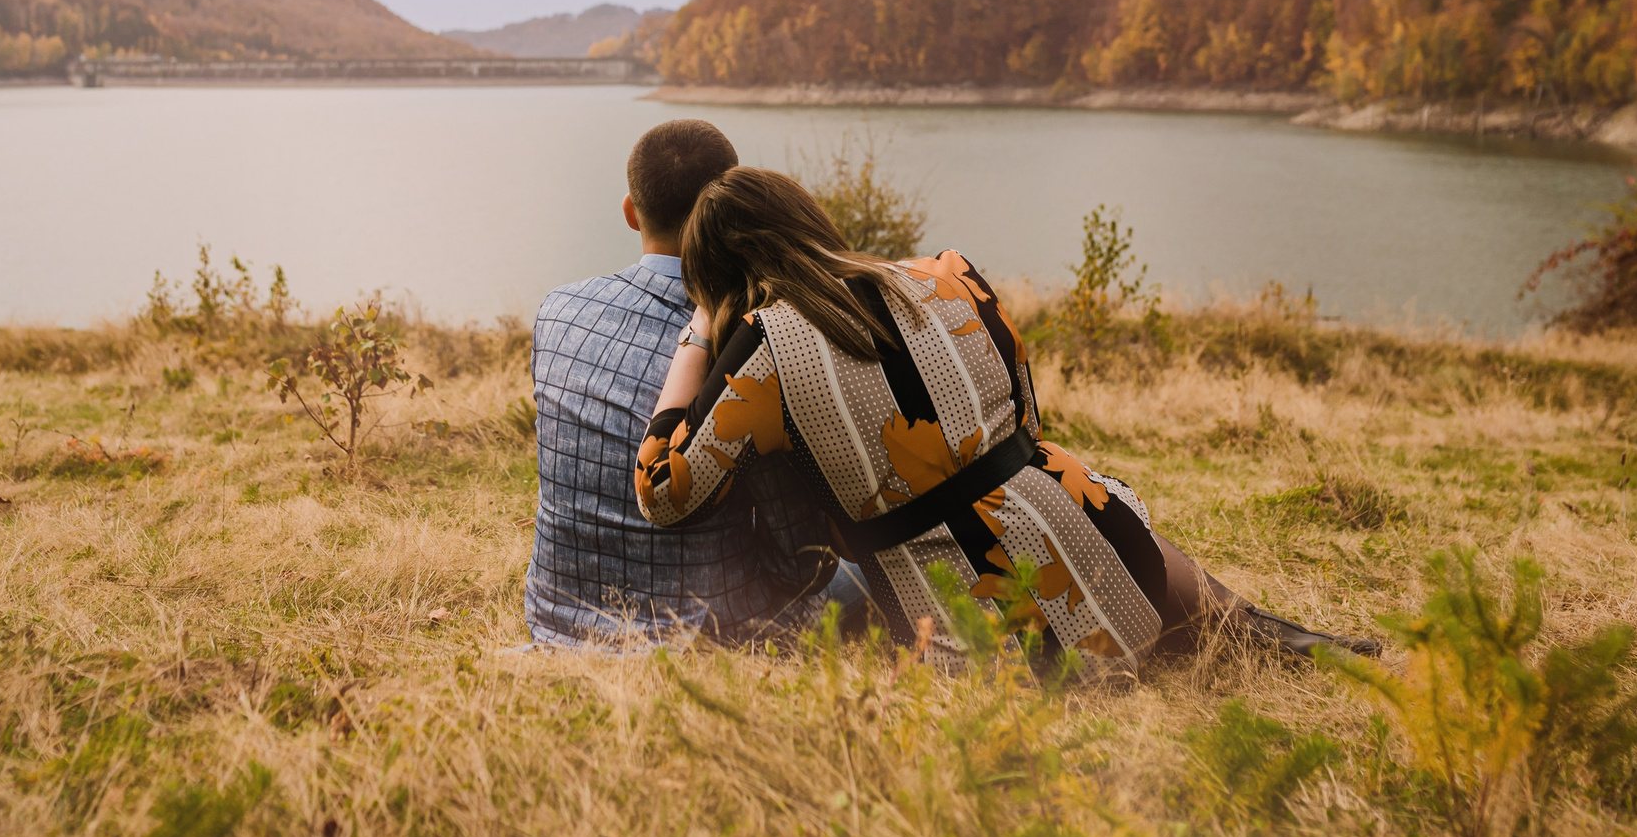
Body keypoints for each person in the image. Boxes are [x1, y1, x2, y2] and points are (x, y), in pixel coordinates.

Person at [634, 167, 1378, 674]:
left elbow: (663, 492)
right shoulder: (951, 271)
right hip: (1076, 520)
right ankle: (1291, 641)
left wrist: (701, 332)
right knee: (1092, 504)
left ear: (722, 275)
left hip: (964, 609)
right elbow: (1026, 410)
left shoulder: (759, 347)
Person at [525, 122, 839, 646]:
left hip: (557, 618)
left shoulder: (557, 310)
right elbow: (802, 565)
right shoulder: (756, 342)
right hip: (713, 630)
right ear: (735, 204)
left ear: (631, 212)